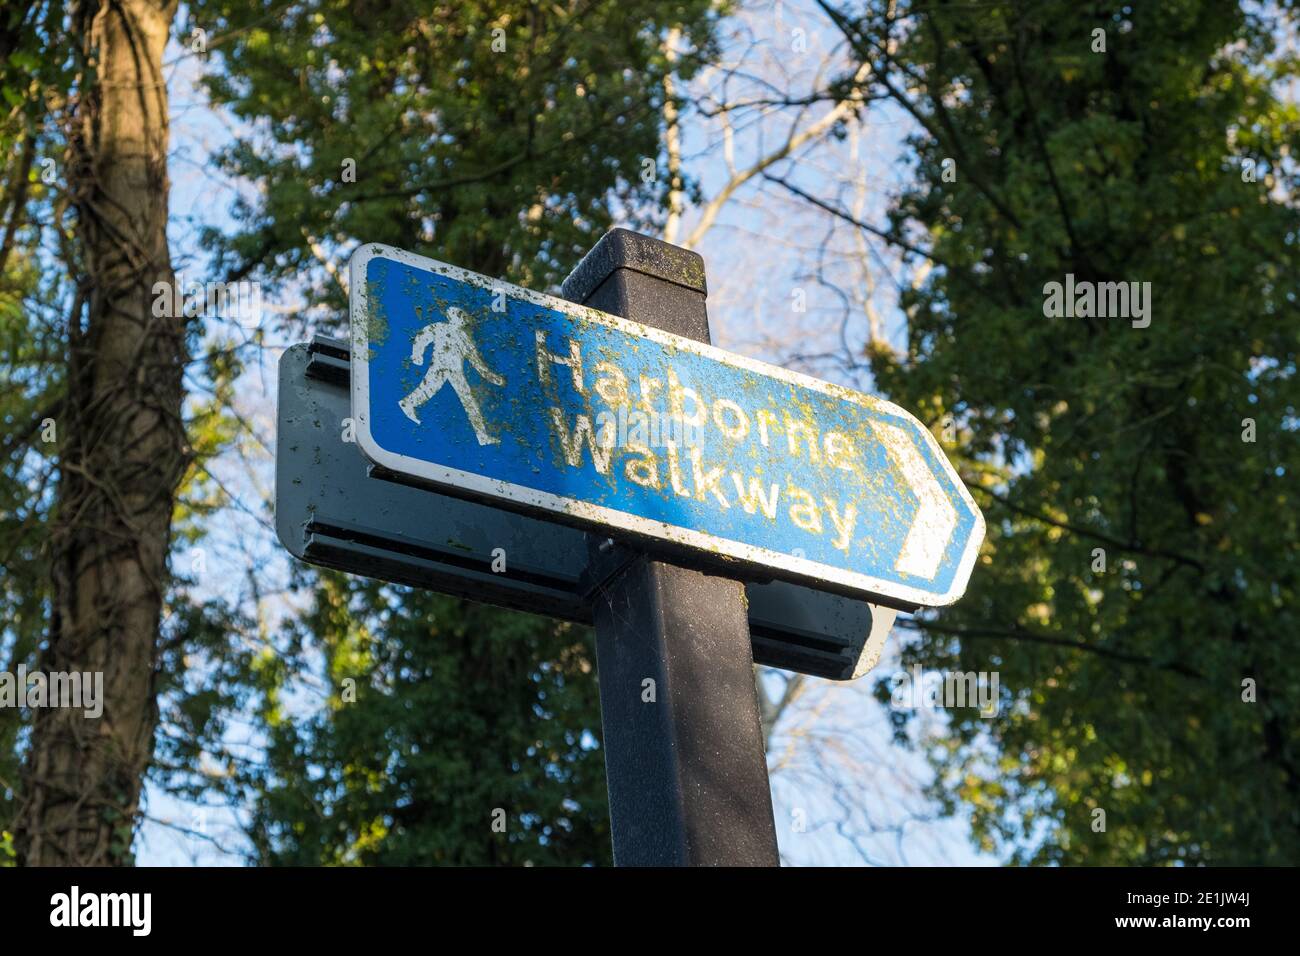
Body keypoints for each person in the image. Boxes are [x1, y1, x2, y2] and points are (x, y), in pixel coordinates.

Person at [399, 307, 505, 445]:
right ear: (452, 315)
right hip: (440, 367)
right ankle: (407, 403)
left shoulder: (465, 338)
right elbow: (422, 337)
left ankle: (482, 436)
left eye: (464, 316)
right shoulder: (440, 327)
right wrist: (417, 355)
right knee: (428, 389)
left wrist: (493, 378)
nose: (463, 319)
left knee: (469, 400)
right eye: (460, 315)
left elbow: (477, 362)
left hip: (456, 371)